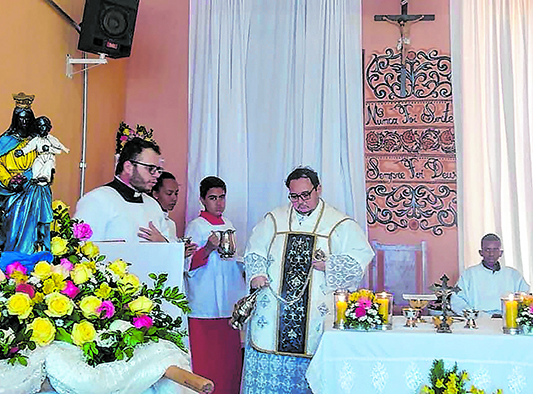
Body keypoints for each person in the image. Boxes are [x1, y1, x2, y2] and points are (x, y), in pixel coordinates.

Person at [241, 167, 374, 394]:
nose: (300, 201)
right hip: (274, 312)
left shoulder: (339, 224)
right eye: (294, 196)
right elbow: (255, 249)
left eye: (306, 195)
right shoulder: (275, 219)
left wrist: (330, 265)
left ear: (318, 189)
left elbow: (360, 258)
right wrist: (256, 273)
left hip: (315, 316)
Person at [184, 176, 246, 394]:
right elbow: (186, 265)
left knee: (228, 361)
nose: (219, 203)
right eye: (213, 198)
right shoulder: (196, 226)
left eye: (222, 197)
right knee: (207, 361)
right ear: (202, 200)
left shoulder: (229, 225)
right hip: (204, 304)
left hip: (227, 302)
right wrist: (208, 249)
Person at [74, 137, 172, 243]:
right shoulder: (97, 200)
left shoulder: (153, 205)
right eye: (150, 169)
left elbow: (169, 244)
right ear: (128, 167)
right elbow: (80, 247)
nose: (157, 175)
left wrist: (163, 243)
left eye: (158, 170)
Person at [0, 92, 53, 255]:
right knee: (13, 224)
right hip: (14, 192)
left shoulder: (37, 140)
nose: (24, 122)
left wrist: (38, 175)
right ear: (15, 119)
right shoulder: (6, 140)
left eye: (27, 118)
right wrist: (10, 180)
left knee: (38, 224)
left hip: (35, 188)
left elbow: (46, 160)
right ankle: (13, 257)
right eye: (21, 118)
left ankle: (36, 255)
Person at [451, 233, 530, 315]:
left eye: (495, 249)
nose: (491, 254)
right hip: (479, 320)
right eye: (487, 249)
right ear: (481, 252)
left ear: (501, 253)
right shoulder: (469, 274)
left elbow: (525, 297)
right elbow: (457, 300)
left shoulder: (513, 275)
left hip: (507, 319)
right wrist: (473, 315)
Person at [151, 171, 197, 257]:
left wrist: (182, 253)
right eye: (169, 193)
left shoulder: (171, 224)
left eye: (176, 193)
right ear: (155, 193)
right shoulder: (148, 220)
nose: (174, 198)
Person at [16, 116, 69, 186]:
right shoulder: (36, 140)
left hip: (49, 157)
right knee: (37, 164)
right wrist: (22, 152)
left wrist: (49, 149)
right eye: (39, 126)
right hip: (41, 156)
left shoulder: (51, 139)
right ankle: (35, 178)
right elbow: (29, 147)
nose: (41, 128)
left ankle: (44, 178)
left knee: (48, 165)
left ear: (47, 127)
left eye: (43, 126)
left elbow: (59, 150)